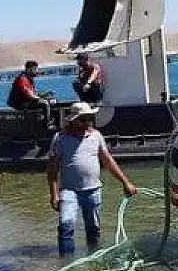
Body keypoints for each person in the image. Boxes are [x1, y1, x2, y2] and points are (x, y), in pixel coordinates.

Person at [46, 102, 136, 255]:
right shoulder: (60, 138)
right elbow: (52, 169)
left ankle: (93, 258)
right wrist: (54, 194)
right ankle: (66, 263)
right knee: (65, 225)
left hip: (93, 190)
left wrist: (125, 182)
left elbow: (108, 161)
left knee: (93, 228)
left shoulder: (96, 136)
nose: (87, 122)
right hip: (69, 191)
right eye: (83, 119)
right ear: (73, 120)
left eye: (89, 118)